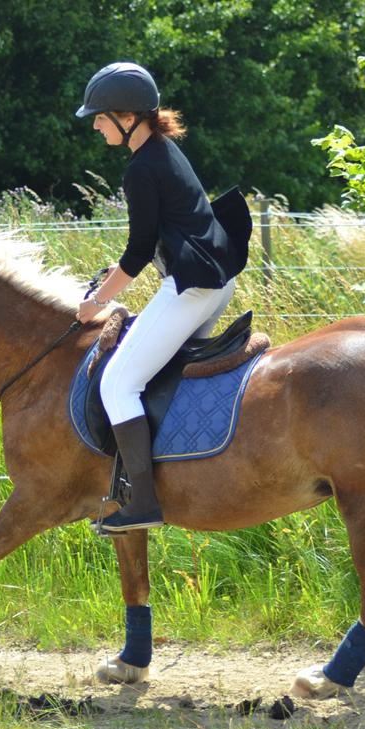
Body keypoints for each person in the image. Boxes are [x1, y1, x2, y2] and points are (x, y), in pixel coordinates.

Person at [75, 62, 248, 533]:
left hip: (193, 288)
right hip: (214, 280)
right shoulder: (161, 151)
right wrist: (117, 273)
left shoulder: (141, 168)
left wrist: (96, 304)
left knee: (117, 383)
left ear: (127, 115)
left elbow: (136, 252)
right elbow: (163, 234)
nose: (94, 124)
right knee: (154, 372)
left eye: (100, 116)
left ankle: (144, 501)